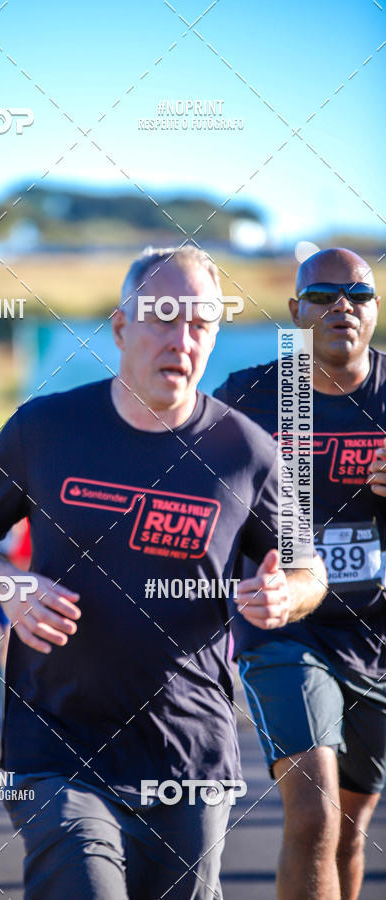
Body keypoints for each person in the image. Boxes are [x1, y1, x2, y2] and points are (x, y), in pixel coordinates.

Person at [0, 246, 326, 899]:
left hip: (190, 758)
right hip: (58, 746)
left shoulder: (247, 452)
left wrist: (283, 596)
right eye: (163, 316)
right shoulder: (45, 427)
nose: (182, 338)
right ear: (122, 327)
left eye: (201, 323)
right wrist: (11, 585)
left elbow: (306, 568)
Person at [214, 247, 385, 900]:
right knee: (313, 813)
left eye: (359, 294)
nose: (342, 305)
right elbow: (193, 497)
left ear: (373, 310)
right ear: (296, 311)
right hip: (287, 626)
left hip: (377, 633)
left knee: (350, 827)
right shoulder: (252, 399)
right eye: (323, 295)